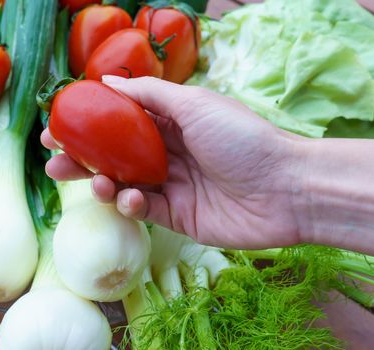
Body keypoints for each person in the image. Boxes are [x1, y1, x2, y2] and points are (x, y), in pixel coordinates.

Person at [41, 76, 374, 256]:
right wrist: (288, 183)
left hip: (156, 171)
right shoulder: (81, 99)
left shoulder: (68, 114)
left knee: (112, 193)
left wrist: (282, 178)